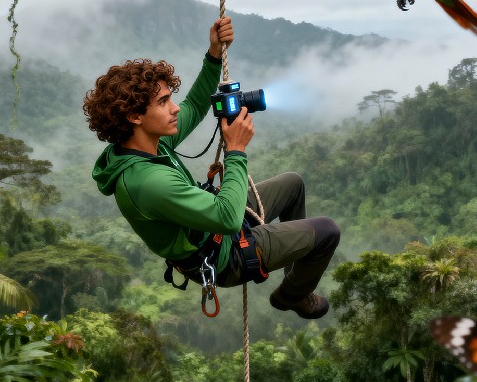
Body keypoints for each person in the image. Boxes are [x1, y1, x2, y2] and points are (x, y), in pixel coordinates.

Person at [83, 17, 340, 319]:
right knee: (326, 232)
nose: (174, 107)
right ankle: (291, 296)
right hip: (221, 255)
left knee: (292, 184)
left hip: (210, 222)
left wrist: (214, 54)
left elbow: (194, 104)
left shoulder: (147, 144)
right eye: (163, 102)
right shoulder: (147, 181)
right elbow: (229, 219)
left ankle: (292, 274)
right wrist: (235, 150)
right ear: (135, 117)